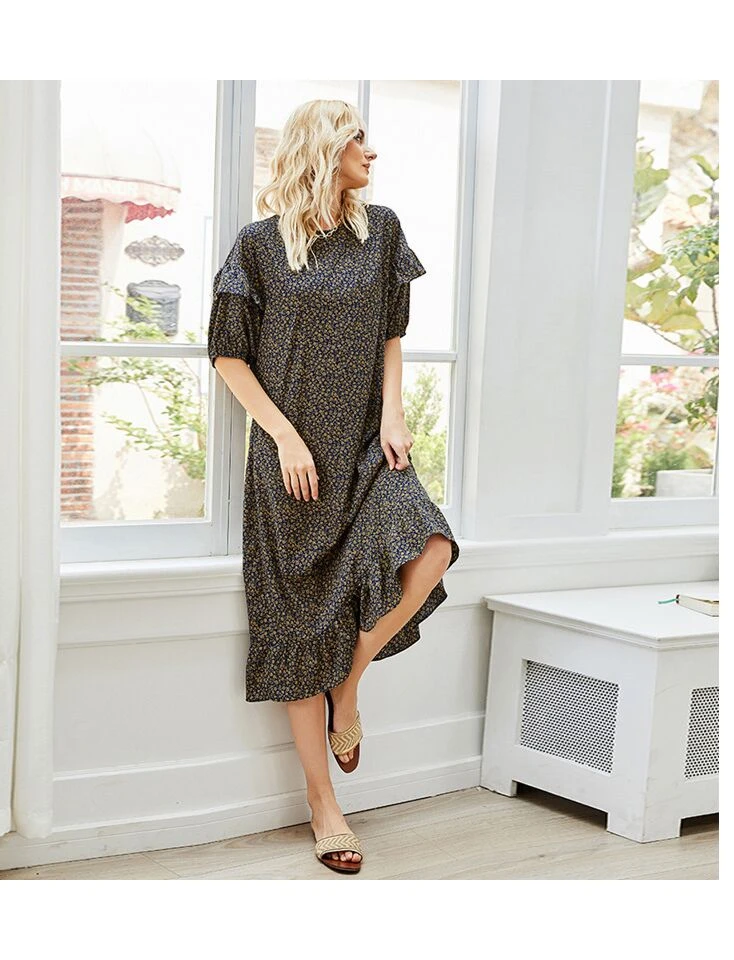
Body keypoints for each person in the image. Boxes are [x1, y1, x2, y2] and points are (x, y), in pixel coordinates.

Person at [207, 99, 460, 874]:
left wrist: (394, 414)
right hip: (292, 466)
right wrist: (283, 435)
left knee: (433, 546)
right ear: (324, 149)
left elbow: (392, 333)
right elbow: (227, 354)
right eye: (357, 139)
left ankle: (347, 685)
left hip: (365, 447)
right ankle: (325, 809)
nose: (370, 153)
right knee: (295, 629)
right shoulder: (258, 245)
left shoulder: (379, 231)